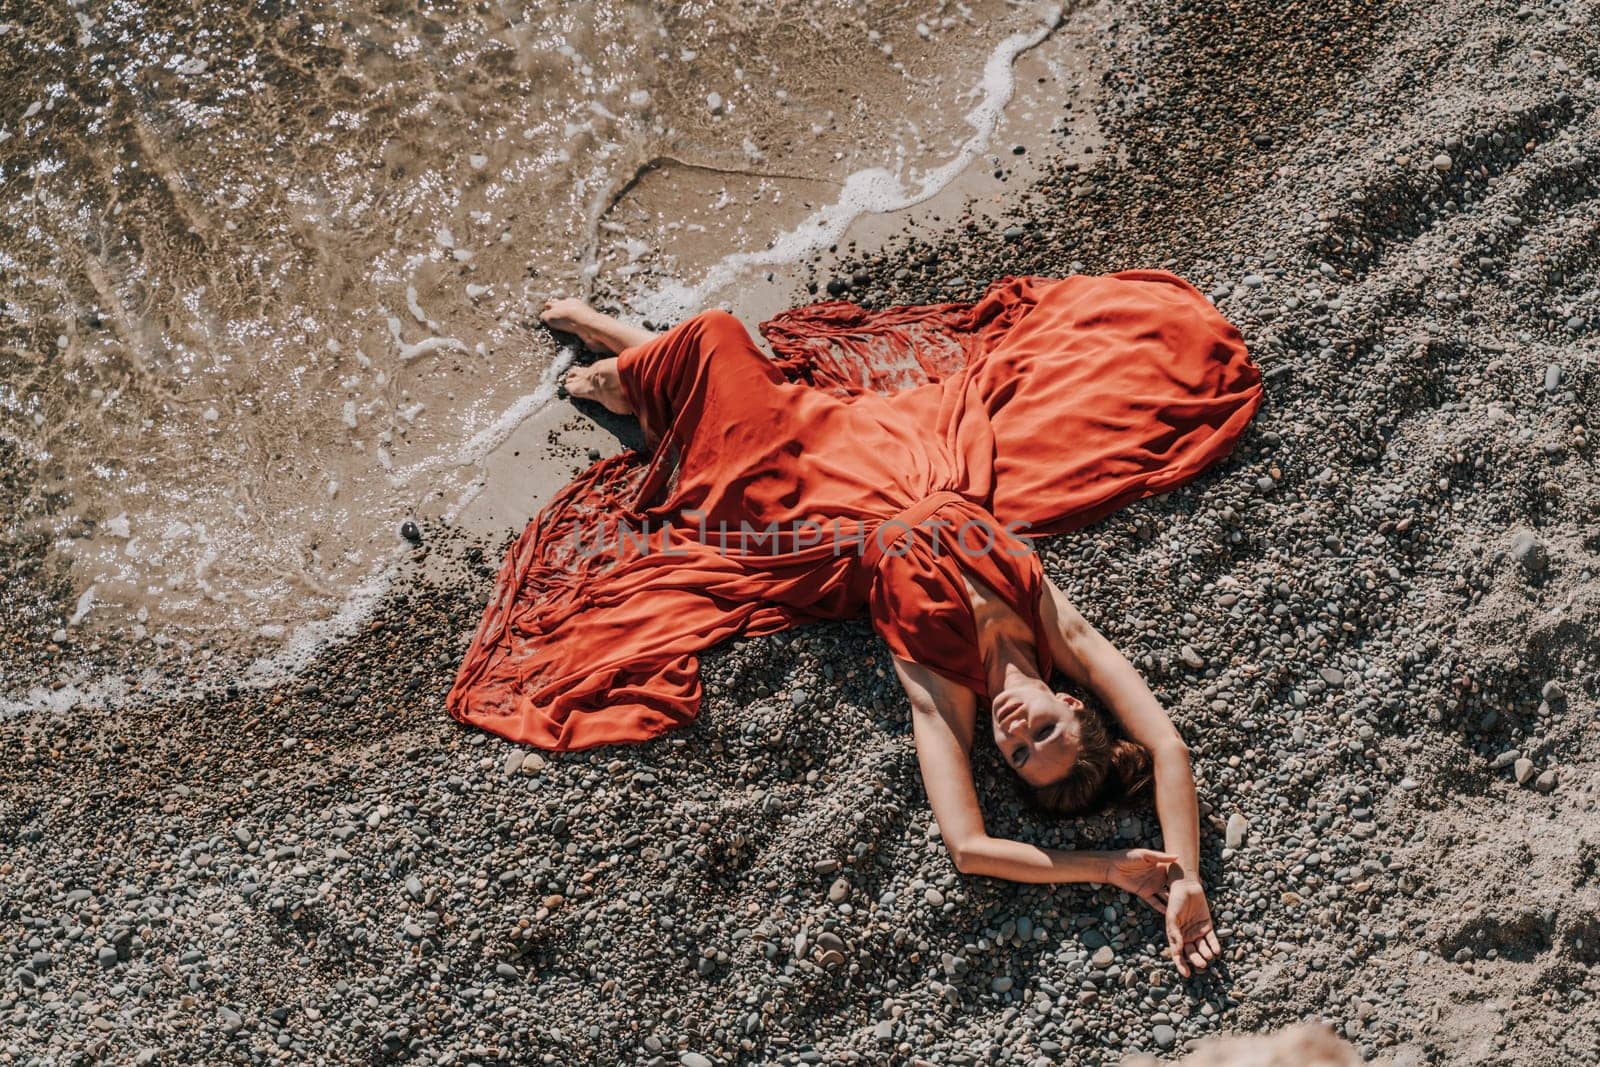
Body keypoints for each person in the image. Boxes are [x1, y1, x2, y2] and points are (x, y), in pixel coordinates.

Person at [451, 274, 1262, 978]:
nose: (1016, 730)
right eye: (1044, 730)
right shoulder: (1058, 629)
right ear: (1075, 704)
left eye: (1014, 754)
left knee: (718, 339)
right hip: (899, 455)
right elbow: (1167, 745)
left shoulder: (944, 687)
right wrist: (1186, 874)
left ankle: (623, 374)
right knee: (732, 348)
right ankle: (631, 376)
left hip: (812, 512)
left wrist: (1108, 869)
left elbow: (969, 845)